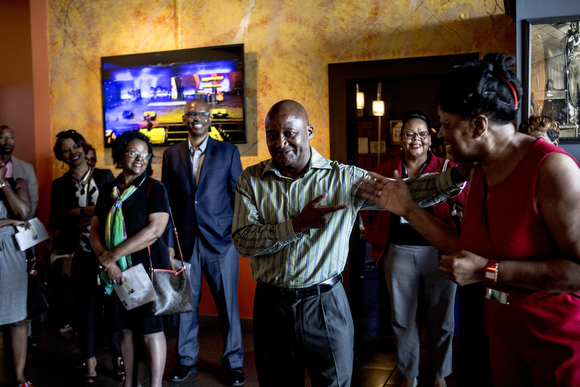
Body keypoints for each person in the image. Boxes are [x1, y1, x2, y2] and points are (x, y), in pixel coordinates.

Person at [359, 54, 580, 386]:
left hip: (558, 340)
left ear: (478, 125)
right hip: (504, 333)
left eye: (446, 124)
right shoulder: (479, 171)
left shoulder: (551, 169)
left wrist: (487, 270)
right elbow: (465, 246)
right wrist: (408, 209)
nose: (440, 134)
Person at [231, 99, 468, 387]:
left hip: (325, 303)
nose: (280, 143)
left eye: (289, 133)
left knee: (335, 382)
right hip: (271, 306)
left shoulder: (343, 179)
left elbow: (409, 192)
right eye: (272, 135)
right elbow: (243, 240)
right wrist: (296, 226)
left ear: (309, 131)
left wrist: (456, 176)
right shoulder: (251, 180)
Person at [360, 110, 467, 387]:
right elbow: (368, 209)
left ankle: (441, 374)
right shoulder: (386, 170)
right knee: (403, 320)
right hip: (398, 253)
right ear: (401, 139)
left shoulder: (447, 169)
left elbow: (466, 204)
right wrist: (374, 238)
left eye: (422, 134)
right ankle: (409, 375)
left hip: (439, 252)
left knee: (441, 320)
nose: (416, 139)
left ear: (430, 139)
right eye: (410, 134)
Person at [162, 98, 245, 386]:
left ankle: (234, 363)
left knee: (228, 307)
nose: (196, 118)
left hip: (221, 241)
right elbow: (168, 202)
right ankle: (186, 361)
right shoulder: (171, 154)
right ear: (184, 120)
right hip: (185, 240)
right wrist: (168, 241)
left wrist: (234, 233)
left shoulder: (228, 151)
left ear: (210, 120)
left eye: (202, 114)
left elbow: (239, 196)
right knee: (186, 305)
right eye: (191, 114)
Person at [90, 130, 170, 387]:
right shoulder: (108, 191)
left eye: (145, 155)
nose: (140, 158)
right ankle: (130, 383)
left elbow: (154, 231)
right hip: (117, 273)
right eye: (133, 153)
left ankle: (155, 384)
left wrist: (111, 256)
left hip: (147, 269)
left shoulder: (154, 188)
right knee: (124, 329)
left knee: (150, 330)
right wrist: (109, 264)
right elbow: (94, 230)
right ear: (120, 155)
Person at [49, 129, 115, 384]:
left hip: (108, 253)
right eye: (66, 149)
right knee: (85, 310)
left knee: (113, 309)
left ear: (84, 148)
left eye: (76, 147)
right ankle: (90, 360)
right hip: (80, 255)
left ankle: (118, 357)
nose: (72, 152)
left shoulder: (105, 176)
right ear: (61, 156)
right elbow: (56, 219)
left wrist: (77, 211)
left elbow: (112, 211)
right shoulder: (59, 184)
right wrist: (89, 214)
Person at [0, 155, 32, 386]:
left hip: (12, 253)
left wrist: (2, 184)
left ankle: (19, 376)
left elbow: (23, 214)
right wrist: (8, 222)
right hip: (9, 235)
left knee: (17, 318)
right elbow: (16, 220)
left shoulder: (17, 182)